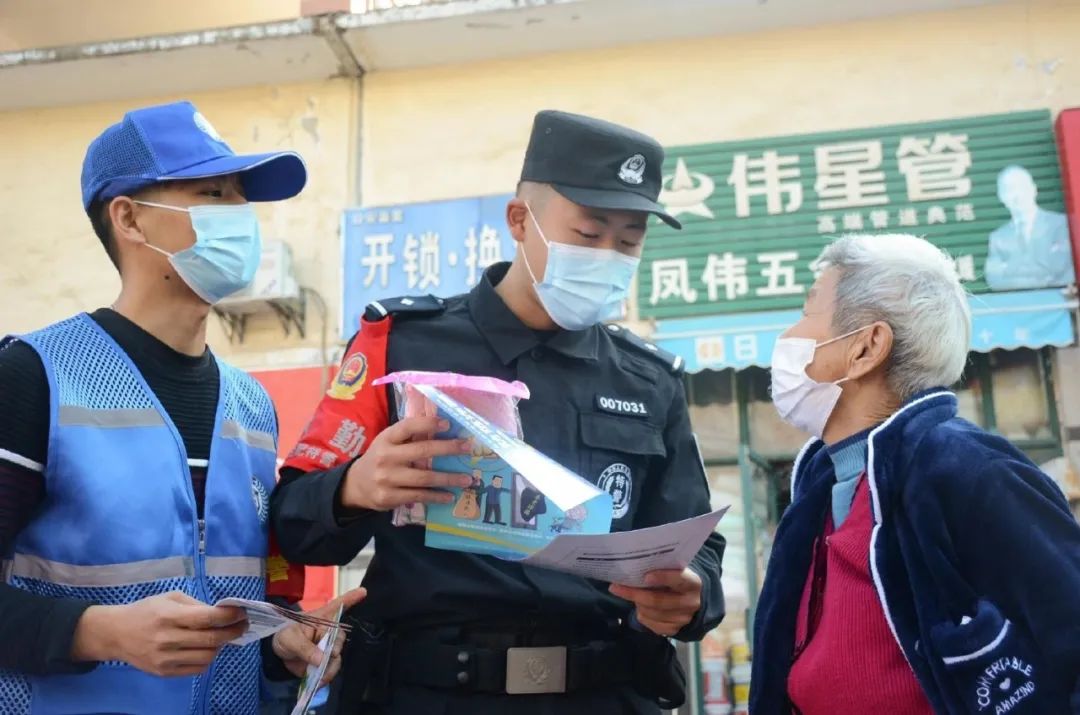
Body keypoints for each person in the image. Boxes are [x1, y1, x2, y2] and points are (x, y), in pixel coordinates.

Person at [271, 110, 726, 714]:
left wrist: (694, 596)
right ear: (520, 220)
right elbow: (293, 525)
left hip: (601, 692)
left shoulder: (648, 379)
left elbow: (695, 543)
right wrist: (354, 488)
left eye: (629, 240)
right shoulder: (402, 344)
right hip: (425, 693)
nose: (609, 256)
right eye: (589, 234)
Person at [0, 100, 363, 715]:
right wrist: (99, 632)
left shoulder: (251, 404)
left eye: (240, 197)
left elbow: (227, 599)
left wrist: (281, 643)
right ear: (130, 219)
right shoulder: (37, 377)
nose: (238, 217)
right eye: (212, 193)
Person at [751, 234, 1080, 714]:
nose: (789, 334)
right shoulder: (822, 485)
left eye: (807, 311)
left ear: (867, 346)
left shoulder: (965, 468)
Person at [984, 164, 1075, 290]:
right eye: (1009, 189)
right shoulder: (998, 238)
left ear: (1034, 189)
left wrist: (1012, 271)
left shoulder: (1060, 224)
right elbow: (994, 280)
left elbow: (1065, 267)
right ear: (1001, 196)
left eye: (1022, 187)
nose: (1017, 195)